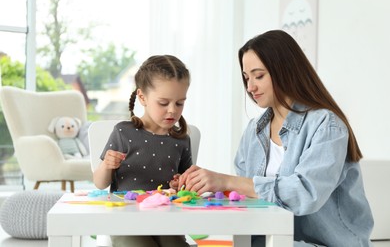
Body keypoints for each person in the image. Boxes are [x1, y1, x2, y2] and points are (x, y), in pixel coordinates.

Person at [179, 30, 374, 247]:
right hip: (269, 242)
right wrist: (206, 188)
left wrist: (226, 181)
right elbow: (246, 198)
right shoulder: (254, 131)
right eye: (246, 78)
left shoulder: (326, 125)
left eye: (259, 75)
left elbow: (306, 193)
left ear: (285, 70)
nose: (250, 87)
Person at [93, 55, 192, 247]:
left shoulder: (181, 140)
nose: (172, 110)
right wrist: (107, 165)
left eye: (180, 103)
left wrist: (181, 183)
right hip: (126, 220)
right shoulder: (123, 132)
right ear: (142, 97)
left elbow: (186, 186)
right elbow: (99, 183)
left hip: (166, 219)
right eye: (163, 103)